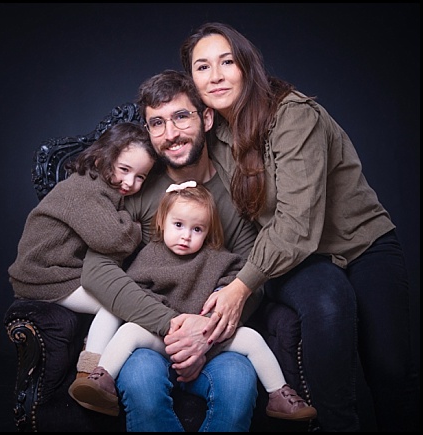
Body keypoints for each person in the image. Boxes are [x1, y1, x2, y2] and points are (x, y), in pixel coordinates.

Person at [180, 22, 416, 431]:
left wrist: (240, 287)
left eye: (226, 62)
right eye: (202, 67)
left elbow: (297, 222)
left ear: (247, 66)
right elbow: (172, 163)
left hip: (362, 245)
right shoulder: (212, 131)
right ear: (194, 80)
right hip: (297, 261)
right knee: (329, 305)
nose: (215, 75)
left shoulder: (293, 115)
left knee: (390, 370)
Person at [80, 69, 266, 431]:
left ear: (206, 117)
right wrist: (171, 327)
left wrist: (204, 333)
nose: (171, 134)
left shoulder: (236, 194)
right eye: (157, 123)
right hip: (146, 337)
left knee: (239, 385)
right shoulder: (136, 188)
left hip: (214, 342)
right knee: (141, 385)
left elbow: (250, 279)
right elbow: (98, 270)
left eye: (181, 116)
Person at [70, 181, 316, 422]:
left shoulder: (217, 258)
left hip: (208, 340)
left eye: (197, 229)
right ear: (161, 222)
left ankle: (279, 393)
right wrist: (173, 322)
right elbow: (137, 291)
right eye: (178, 225)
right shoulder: (151, 255)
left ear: (208, 231)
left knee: (252, 338)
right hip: (162, 338)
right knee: (128, 331)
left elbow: (234, 285)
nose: (185, 236)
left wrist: (215, 304)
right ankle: (103, 378)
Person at [8, 121, 157, 397]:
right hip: (43, 276)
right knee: (112, 305)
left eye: (140, 177)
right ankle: (89, 372)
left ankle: (96, 353)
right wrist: (133, 223)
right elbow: (113, 240)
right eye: (124, 169)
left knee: (119, 296)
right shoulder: (84, 189)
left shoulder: (103, 188)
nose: (130, 183)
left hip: (64, 270)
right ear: (102, 157)